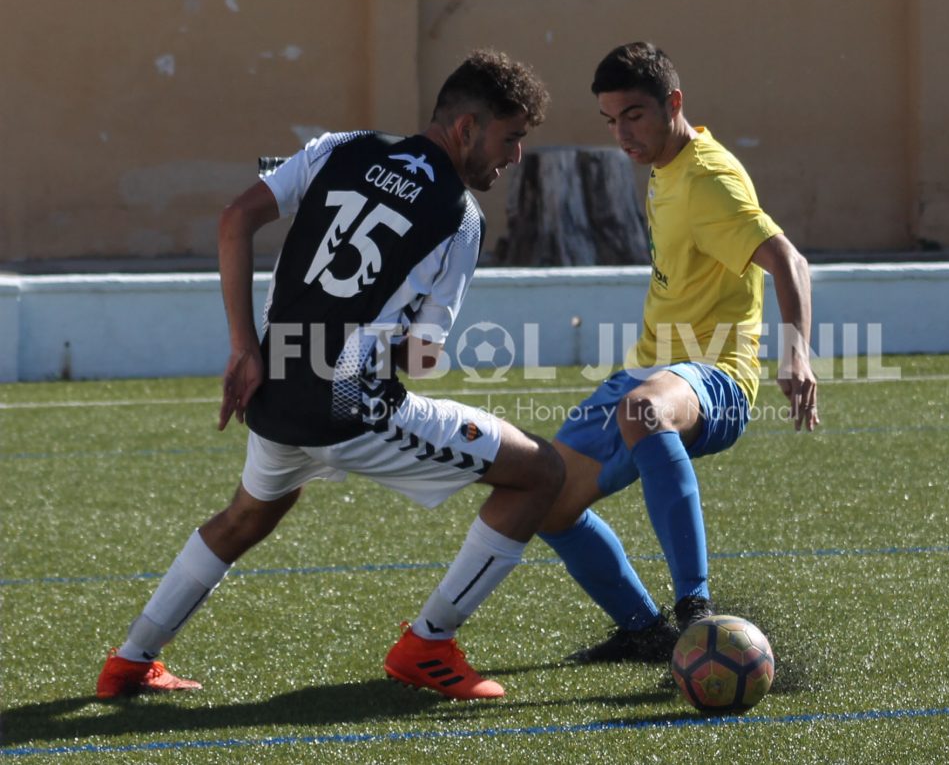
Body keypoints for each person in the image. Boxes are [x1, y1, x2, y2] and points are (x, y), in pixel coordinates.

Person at [96, 50, 560, 701]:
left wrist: (244, 348)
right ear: (465, 128)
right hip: (348, 409)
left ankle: (130, 659)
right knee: (540, 471)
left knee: (246, 517)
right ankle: (427, 643)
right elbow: (421, 357)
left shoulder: (342, 147)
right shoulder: (458, 217)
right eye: (510, 138)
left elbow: (236, 219)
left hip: (276, 385)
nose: (513, 157)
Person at [537, 42, 818, 662]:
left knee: (643, 411)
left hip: (716, 375)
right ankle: (644, 629)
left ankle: (697, 609)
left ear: (674, 104)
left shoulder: (708, 179)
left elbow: (789, 261)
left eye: (634, 115)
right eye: (611, 121)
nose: (621, 134)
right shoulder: (666, 169)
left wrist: (796, 353)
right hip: (647, 371)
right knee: (545, 501)